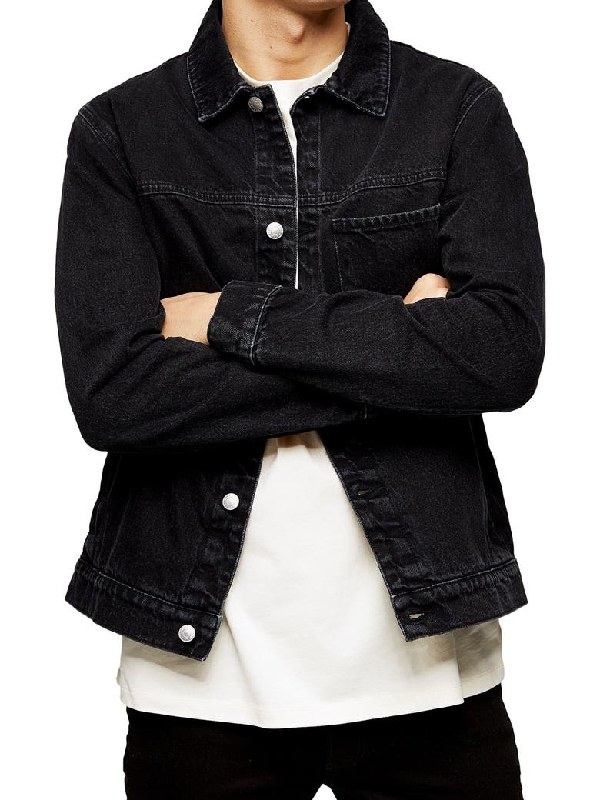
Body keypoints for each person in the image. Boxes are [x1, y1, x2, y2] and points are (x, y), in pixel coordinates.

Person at [54, 0, 545, 797]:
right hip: (197, 685)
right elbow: (114, 395)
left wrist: (227, 316)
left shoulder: (456, 109)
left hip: (433, 675)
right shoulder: (121, 130)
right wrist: (400, 352)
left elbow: (502, 354)